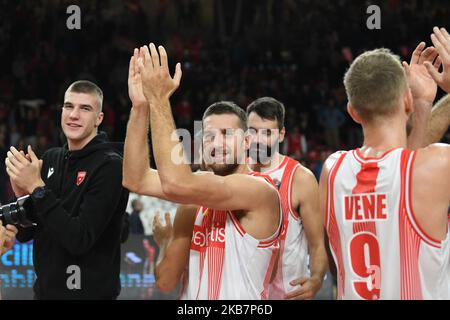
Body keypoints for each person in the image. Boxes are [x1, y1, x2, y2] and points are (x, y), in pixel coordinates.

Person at [123, 45, 282, 299]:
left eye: (226, 135)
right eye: (209, 136)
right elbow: (135, 178)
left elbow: (177, 183)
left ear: (247, 142)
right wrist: (141, 106)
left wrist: (159, 99)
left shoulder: (261, 191)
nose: (216, 144)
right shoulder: (193, 204)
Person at [320, 33, 449, 300]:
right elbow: (407, 171)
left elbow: (404, 172)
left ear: (353, 112)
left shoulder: (332, 171)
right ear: (406, 101)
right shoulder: (437, 163)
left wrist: (423, 103)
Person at [5, 80, 129, 299]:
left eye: (85, 108)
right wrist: (23, 194)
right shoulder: (51, 158)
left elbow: (79, 239)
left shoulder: (110, 166)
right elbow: (27, 233)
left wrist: (36, 186)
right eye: (69, 106)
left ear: (98, 119)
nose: (74, 115)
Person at [246, 97, 328, 300]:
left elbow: (317, 244)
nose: (258, 139)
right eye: (253, 131)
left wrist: (316, 280)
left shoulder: (301, 178)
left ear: (281, 134)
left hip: (286, 295)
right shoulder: (234, 174)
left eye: (267, 133)